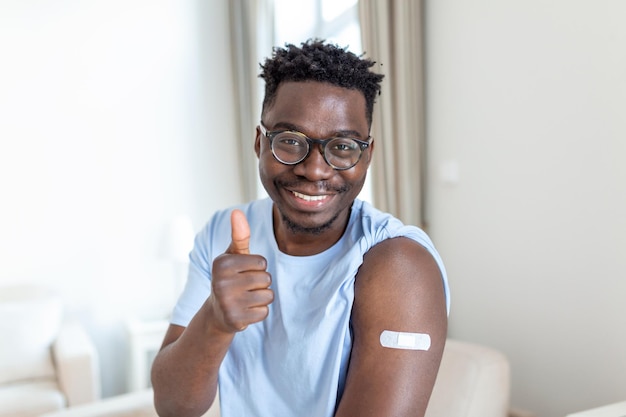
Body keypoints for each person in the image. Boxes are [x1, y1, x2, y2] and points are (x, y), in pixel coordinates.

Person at [151, 39, 450, 417]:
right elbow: (173, 406)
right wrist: (215, 320)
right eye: (291, 141)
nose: (314, 169)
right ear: (260, 142)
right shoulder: (221, 234)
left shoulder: (400, 266)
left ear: (367, 156)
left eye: (342, 146)